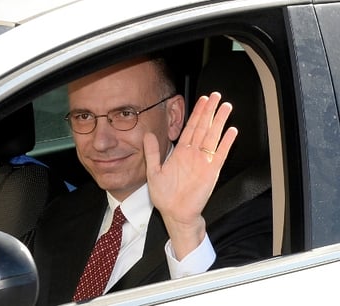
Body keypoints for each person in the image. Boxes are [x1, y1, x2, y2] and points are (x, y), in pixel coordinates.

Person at [32, 56, 272, 305]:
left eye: (125, 114)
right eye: (83, 117)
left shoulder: (245, 219)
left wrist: (184, 230)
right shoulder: (58, 216)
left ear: (173, 117)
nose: (101, 142)